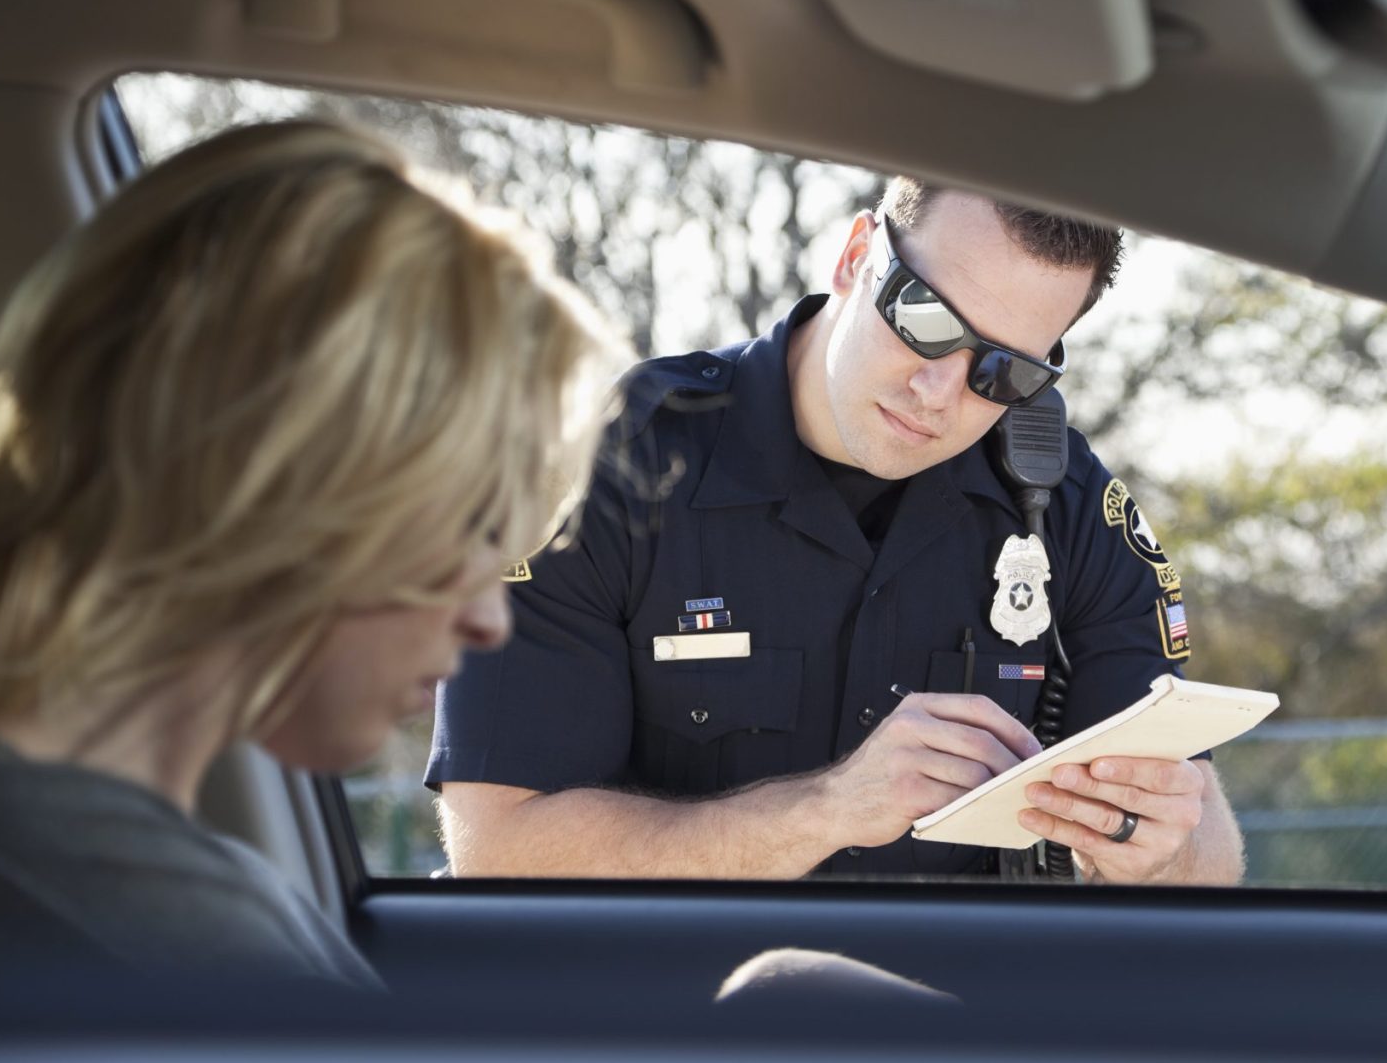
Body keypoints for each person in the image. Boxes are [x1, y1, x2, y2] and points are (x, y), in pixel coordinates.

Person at [0, 121, 619, 984]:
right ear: (291, 480)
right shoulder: (160, 943)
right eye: (473, 524)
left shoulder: (95, 876)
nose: (490, 619)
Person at [432, 178, 1246, 884]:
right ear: (857, 255)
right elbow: (498, 846)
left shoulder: (1065, 505)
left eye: (1004, 370)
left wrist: (1158, 846)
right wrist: (823, 809)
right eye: (925, 318)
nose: (938, 389)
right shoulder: (595, 471)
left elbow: (1208, 844)